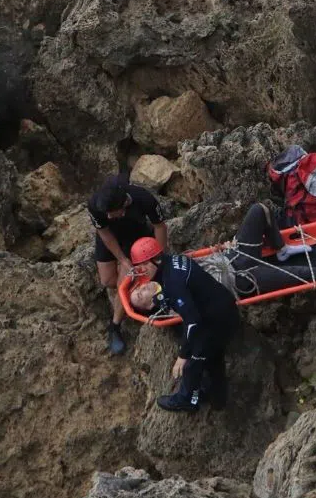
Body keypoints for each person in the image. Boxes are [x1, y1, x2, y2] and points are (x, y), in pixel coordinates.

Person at [128, 237, 240, 412]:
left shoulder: (173, 282)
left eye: (143, 267)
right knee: (213, 359)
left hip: (216, 320)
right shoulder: (175, 260)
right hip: (223, 309)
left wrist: (183, 355)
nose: (141, 273)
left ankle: (187, 400)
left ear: (154, 260)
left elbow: (192, 322)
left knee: (192, 363)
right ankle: (218, 399)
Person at [89, 174, 168, 356]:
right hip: (111, 236)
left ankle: (115, 326)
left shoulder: (143, 198)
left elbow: (160, 227)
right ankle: (133, 288)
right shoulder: (95, 204)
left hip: (137, 235)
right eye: (106, 213)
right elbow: (104, 233)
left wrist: (160, 258)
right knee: (107, 281)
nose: (108, 215)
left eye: (111, 212)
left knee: (122, 283)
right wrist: (122, 259)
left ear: (123, 205)